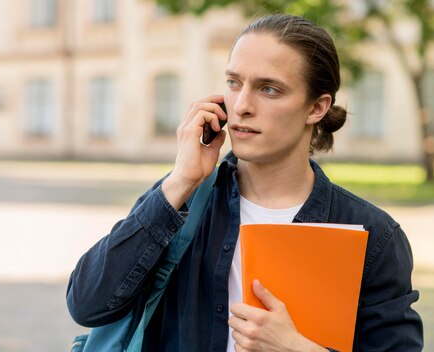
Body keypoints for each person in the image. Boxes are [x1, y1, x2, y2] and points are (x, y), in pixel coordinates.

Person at [66, 14, 423, 351]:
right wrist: (180, 181)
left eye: (269, 89)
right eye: (234, 83)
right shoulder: (181, 199)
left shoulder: (372, 236)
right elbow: (87, 306)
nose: (242, 106)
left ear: (316, 108)